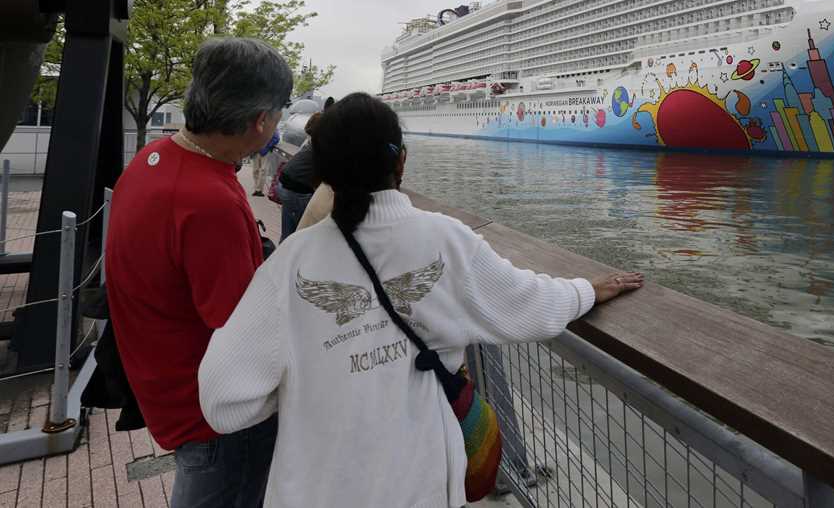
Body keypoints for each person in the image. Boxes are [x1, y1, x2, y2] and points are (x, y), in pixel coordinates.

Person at [198, 93, 642, 507]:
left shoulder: (290, 262)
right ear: (401, 160)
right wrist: (588, 290)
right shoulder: (445, 240)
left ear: (323, 172)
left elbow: (221, 400)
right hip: (419, 485)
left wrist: (308, 385)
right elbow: (530, 304)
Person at [105, 37, 292, 508]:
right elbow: (242, 329)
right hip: (216, 414)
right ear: (261, 121)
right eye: (279, 113)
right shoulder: (209, 201)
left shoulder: (153, 159)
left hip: (163, 383)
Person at [277, 112, 321, 240]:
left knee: (288, 231)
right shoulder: (323, 146)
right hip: (297, 190)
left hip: (285, 185)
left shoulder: (309, 142)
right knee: (300, 234)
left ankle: (284, 250)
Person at [251, 129, 281, 197]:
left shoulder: (272, 126)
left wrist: (267, 147)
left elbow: (276, 138)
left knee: (263, 171)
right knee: (255, 171)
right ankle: (256, 189)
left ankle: (259, 190)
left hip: (266, 152)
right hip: (255, 151)